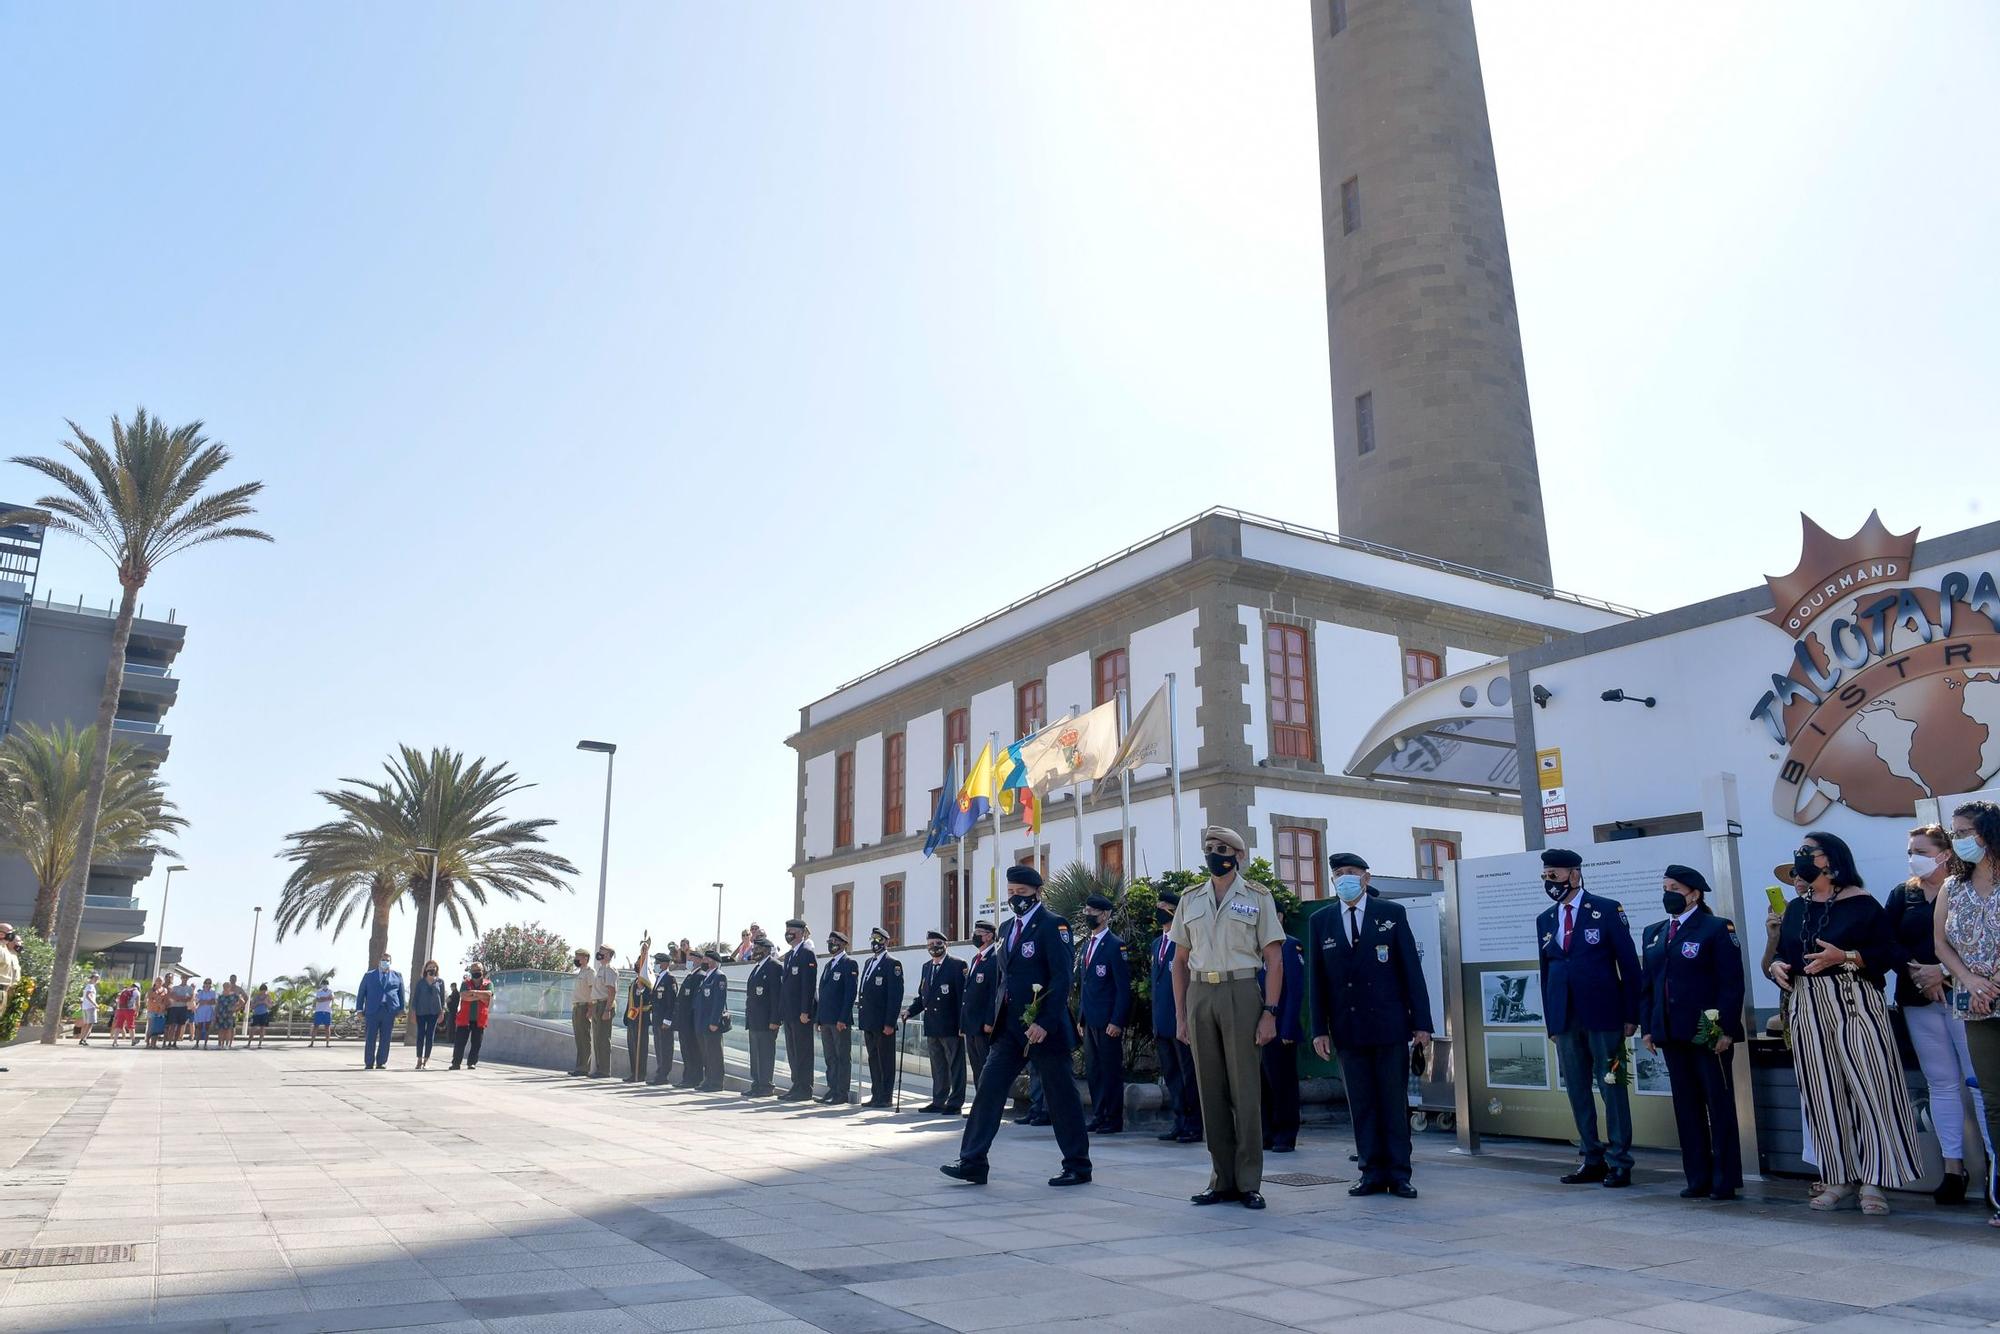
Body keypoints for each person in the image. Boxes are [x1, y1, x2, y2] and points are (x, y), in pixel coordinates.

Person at [1769, 830, 1920, 1215]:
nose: (1802, 857)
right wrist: (1777, 966)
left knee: (1871, 1088)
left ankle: (1875, 1180)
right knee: (1821, 1092)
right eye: (1799, 851)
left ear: (1831, 859)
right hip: (1808, 1002)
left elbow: (1887, 953)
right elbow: (1785, 953)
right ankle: (1837, 1177)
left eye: (1810, 851)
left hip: (1854, 1001)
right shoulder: (1797, 908)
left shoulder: (1863, 903)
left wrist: (1846, 956)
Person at [941, 864, 1093, 1188]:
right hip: (1010, 1029)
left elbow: (1062, 977)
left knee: (1061, 1096)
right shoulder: (1008, 928)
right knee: (989, 1089)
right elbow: (1002, 980)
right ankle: (972, 1161)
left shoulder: (1054, 926)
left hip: (1043, 1030)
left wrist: (1045, 1022)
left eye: (1021, 893)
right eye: (1010, 893)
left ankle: (1078, 1165)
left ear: (1037, 892)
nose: (1015, 899)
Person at [1171, 827, 1285, 1209]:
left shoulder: (1257, 897)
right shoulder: (1191, 898)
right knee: (1211, 1090)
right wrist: (1181, 1015)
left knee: (1245, 1090)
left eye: (1221, 849)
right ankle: (1221, 1179)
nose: (1214, 854)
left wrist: (1269, 1012)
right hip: (1201, 993)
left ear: (1237, 854)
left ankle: (1249, 1180)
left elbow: (1273, 958)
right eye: (1209, 848)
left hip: (1240, 991)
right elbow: (1179, 963)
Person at [1309, 852, 1432, 1200]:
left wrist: (1421, 1022)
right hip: (1348, 1027)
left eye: (1350, 872)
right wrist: (1319, 1028)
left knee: (1393, 1102)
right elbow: (1316, 980)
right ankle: (1370, 1171)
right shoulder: (1322, 921)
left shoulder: (1390, 915)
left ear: (1366, 877)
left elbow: (1411, 971)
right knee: (1361, 1103)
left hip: (1390, 1025)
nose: (1344, 878)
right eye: (1338, 874)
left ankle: (1399, 1173)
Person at [1890, 822, 1994, 1207]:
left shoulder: (1966, 890)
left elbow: (1979, 942)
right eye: (1910, 850)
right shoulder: (1904, 895)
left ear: (1945, 853)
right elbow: (1889, 942)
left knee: (1979, 1084)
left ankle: (1993, 1169)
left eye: (1920, 850)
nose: (1913, 857)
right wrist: (1920, 975)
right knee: (1942, 1084)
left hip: (1966, 999)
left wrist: (1944, 973)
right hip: (1920, 1001)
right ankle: (1954, 1168)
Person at [1536, 847, 1642, 1188]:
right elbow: (1546, 972)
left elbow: (1629, 966)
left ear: (1575, 874)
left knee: (1611, 1086)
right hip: (1565, 1019)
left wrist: (1631, 1013)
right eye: (1545, 876)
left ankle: (1620, 1160)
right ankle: (1591, 1157)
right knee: (1578, 1090)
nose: (1549, 882)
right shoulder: (1546, 920)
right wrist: (1552, 1022)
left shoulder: (1607, 910)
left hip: (1604, 1016)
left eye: (1555, 875)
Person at [1640, 865, 1746, 1201]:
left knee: (1718, 1104)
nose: (1668, 893)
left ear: (1694, 894)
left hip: (1708, 1034)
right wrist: (1649, 1028)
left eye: (1675, 887)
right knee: (1686, 1107)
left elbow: (1731, 983)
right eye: (1665, 886)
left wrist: (1726, 1029)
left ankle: (1724, 1179)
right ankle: (1697, 1176)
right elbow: (1648, 986)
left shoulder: (1716, 928)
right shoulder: (1654, 932)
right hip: (1670, 1033)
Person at [1936, 799, 2000, 1231]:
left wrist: (1992, 980)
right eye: (1954, 833)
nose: (1956, 840)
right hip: (1975, 1003)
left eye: (1963, 832)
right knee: (1994, 1100)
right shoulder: (1951, 887)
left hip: (1990, 989)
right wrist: (1970, 981)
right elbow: (1941, 945)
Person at [1149, 894, 1201, 1144]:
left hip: (1181, 1021)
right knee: (1172, 1075)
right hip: (1162, 1022)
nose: (1159, 913)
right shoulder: (1156, 944)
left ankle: (1194, 1123)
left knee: (1189, 1075)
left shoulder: (1185, 941)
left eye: (1165, 909)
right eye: (1157, 908)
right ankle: (1179, 1121)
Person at [1076, 895, 1130, 1134]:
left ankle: (1113, 1118)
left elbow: (1122, 988)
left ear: (1105, 915)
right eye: (1087, 910)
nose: (1089, 914)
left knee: (1110, 1071)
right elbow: (1084, 984)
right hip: (1090, 1020)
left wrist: (1117, 1020)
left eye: (1093, 911)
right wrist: (1081, 1018)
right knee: (1095, 1071)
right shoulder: (1087, 945)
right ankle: (1099, 1114)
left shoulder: (1115, 945)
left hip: (1108, 1021)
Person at [906, 930, 967, 1114]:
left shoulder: (957, 965)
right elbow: (924, 996)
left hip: (951, 1025)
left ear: (945, 944)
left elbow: (962, 998)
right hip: (932, 1025)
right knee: (938, 1066)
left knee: (955, 1066)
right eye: (930, 944)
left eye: (937, 943)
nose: (933, 947)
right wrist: (909, 1010)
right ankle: (939, 1100)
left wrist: (962, 1025)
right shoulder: (926, 967)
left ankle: (955, 1103)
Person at [1259, 931, 1306, 1153]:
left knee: (1283, 1085)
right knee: (1262, 1085)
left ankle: (1285, 1135)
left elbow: (1295, 991)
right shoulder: (1254, 943)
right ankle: (1266, 1133)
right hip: (1257, 1029)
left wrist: (1287, 1029)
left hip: (1280, 1028)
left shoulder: (1290, 946)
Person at [858, 927, 905, 1108]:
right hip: (869, 1020)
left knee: (885, 1060)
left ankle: (885, 1096)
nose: (874, 942)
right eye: (873, 938)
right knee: (873, 1059)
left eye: (878, 939)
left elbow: (895, 996)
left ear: (886, 941)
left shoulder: (893, 964)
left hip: (883, 1022)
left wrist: (890, 1022)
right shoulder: (869, 962)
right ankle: (876, 1094)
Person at [961, 920, 1001, 1106]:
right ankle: (980, 1103)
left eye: (979, 932)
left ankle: (989, 1104)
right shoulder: (976, 959)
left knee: (986, 1066)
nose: (975, 935)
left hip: (983, 1025)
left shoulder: (995, 958)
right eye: (974, 931)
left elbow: (994, 993)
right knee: (976, 1066)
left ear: (990, 935)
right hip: (971, 1024)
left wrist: (990, 1021)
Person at [815, 929, 858, 1103]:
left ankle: (841, 1093)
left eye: (834, 941)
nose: (831, 944)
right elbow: (822, 994)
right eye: (829, 941)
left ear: (843, 944)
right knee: (830, 1057)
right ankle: (832, 1089)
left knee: (842, 1057)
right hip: (826, 1019)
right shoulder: (829, 964)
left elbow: (850, 994)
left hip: (839, 1021)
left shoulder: (849, 963)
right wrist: (818, 1018)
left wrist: (843, 1018)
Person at [777, 918, 818, 1100]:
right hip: (790, 1012)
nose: (788, 933)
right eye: (787, 930)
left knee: (803, 1051)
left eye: (792, 930)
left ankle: (804, 1088)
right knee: (793, 1051)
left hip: (801, 1013)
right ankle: (796, 1085)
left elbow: (808, 985)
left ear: (801, 933)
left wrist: (805, 1011)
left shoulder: (807, 953)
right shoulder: (791, 954)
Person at [743, 935, 783, 1097]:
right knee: (755, 1054)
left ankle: (766, 1086)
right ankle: (757, 1083)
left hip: (767, 1021)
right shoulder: (757, 967)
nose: (754, 951)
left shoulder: (774, 966)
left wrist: (775, 1019)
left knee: (765, 1054)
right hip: (754, 1020)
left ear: (766, 950)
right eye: (754, 948)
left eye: (757, 948)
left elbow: (776, 996)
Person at [356, 953, 406, 1071]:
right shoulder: (369, 975)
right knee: (370, 1037)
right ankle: (369, 1062)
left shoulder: (397, 976)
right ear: (379, 961)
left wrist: (401, 1009)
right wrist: (359, 1009)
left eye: (387, 960)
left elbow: (401, 994)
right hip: (372, 1010)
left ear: (390, 962)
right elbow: (361, 993)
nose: (385, 962)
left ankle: (381, 1062)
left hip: (389, 1010)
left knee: (386, 1038)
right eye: (383, 960)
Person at [693, 949, 730, 1092]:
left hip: (711, 1023)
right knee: (706, 1054)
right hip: (702, 1022)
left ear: (713, 961)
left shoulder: (719, 977)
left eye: (706, 959)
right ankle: (708, 1080)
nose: (703, 962)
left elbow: (719, 1002)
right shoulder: (707, 977)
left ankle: (716, 1082)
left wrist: (714, 1021)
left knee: (714, 1054)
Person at [450, 965, 492, 1069]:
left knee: (476, 1043)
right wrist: (480, 996)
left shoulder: (488, 984)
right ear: (471, 972)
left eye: (478, 970)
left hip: (479, 1018)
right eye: (474, 970)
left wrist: (473, 993)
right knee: (459, 1042)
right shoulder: (465, 983)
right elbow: (464, 996)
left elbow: (488, 997)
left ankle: (471, 1063)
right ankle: (456, 1063)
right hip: (464, 1018)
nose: (476, 972)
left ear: (483, 971)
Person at [623, 951, 655, 1084]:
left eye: (640, 963)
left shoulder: (648, 983)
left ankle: (640, 1074)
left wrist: (642, 990)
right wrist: (626, 1016)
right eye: (637, 962)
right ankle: (633, 1072)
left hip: (642, 1018)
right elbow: (630, 1001)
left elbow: (649, 1001)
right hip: (632, 1018)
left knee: (641, 1048)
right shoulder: (634, 982)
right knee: (632, 1046)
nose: (637, 965)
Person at [674, 953, 705, 1089]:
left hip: (691, 1021)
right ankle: (687, 1077)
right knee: (685, 1050)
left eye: (691, 960)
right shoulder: (690, 975)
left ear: (698, 960)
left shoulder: (700, 976)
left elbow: (695, 1001)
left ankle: (694, 1078)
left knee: (693, 1050)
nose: (689, 962)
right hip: (684, 1021)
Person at [646, 951, 677, 1085]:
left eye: (658, 962)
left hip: (664, 1020)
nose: (656, 965)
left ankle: (663, 1075)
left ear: (665, 964)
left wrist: (667, 1020)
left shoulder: (670, 979)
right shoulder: (658, 978)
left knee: (665, 1048)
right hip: (657, 1018)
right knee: (658, 1047)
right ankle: (660, 1072)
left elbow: (672, 1002)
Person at [588, 944, 618, 1078]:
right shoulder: (600, 969)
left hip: (604, 1004)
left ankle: (604, 1070)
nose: (599, 953)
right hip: (597, 1004)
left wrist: (607, 1009)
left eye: (602, 951)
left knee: (603, 1039)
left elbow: (612, 991)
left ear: (608, 955)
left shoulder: (610, 970)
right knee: (597, 1038)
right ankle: (599, 1068)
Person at [411, 961, 445, 1071]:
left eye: (433, 967)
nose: (431, 969)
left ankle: (426, 1060)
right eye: (429, 967)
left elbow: (442, 998)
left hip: (434, 1012)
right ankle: (419, 1059)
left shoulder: (440, 982)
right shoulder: (421, 982)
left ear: (436, 969)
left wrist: (442, 1012)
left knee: (430, 1036)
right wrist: (413, 1012)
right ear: (425, 969)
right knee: (421, 1035)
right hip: (421, 1012)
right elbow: (415, 998)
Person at [568, 947, 595, 1077]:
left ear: (585, 958)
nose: (576, 959)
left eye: (578, 957)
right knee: (579, 1038)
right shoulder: (581, 972)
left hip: (584, 1007)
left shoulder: (590, 972)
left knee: (584, 1038)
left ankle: (584, 1067)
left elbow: (592, 991)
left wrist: (590, 1008)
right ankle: (579, 1066)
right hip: (577, 1006)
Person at [167, 976, 195, 1048]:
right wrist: (182, 998)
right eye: (183, 977)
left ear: (187, 979)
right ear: (181, 978)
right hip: (174, 1008)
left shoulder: (190, 988)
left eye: (186, 978)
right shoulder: (175, 987)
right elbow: (172, 996)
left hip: (183, 1008)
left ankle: (175, 1043)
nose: (184, 979)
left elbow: (189, 998)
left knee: (180, 1026)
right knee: (173, 1026)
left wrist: (179, 998)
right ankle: (169, 1042)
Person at [214, 976, 241, 1050]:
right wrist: (215, 1014)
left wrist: (236, 1009)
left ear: (230, 987)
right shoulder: (220, 996)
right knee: (221, 1030)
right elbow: (217, 1005)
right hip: (221, 1014)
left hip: (229, 1015)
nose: (226, 988)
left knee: (228, 1030)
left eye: (228, 986)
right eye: (225, 986)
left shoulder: (234, 995)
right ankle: (220, 1044)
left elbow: (241, 1002)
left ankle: (226, 1045)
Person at [190, 977, 216, 1048]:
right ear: (204, 984)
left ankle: (205, 1044)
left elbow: (213, 1001)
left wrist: (204, 1002)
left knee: (207, 1028)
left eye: (209, 983)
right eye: (206, 983)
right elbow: (198, 1001)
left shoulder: (213, 992)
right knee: (199, 1028)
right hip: (200, 1012)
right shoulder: (200, 992)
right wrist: (207, 1002)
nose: (207, 984)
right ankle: (197, 1043)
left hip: (209, 1012)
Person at [112, 980, 139, 1044]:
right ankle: (133, 1040)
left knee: (119, 1025)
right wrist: (137, 1011)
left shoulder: (124, 990)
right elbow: (138, 1003)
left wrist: (117, 1010)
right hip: (129, 1010)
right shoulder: (136, 992)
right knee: (131, 1025)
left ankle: (115, 1041)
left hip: (121, 1009)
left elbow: (118, 1000)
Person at [77, 971, 101, 1043]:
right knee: (90, 1024)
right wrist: (95, 1004)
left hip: (86, 1007)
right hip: (90, 1007)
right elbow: (88, 996)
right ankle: (84, 1039)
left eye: (98, 978)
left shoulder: (89, 986)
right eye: (95, 978)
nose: (96, 980)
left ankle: (82, 1038)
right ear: (92, 978)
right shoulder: (90, 986)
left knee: (87, 1023)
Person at [144, 979, 168, 1050]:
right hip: (152, 1010)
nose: (159, 982)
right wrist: (159, 1003)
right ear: (155, 982)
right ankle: (148, 1043)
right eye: (158, 980)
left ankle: (153, 1044)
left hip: (160, 1011)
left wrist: (163, 1006)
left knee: (157, 1028)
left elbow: (165, 999)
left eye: (161, 981)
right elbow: (150, 999)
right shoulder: (151, 990)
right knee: (151, 1027)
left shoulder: (165, 990)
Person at [311, 981, 335, 1048]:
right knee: (315, 1026)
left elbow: (332, 998)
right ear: (322, 984)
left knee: (327, 1027)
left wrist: (323, 998)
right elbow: (318, 1000)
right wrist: (327, 998)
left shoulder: (330, 991)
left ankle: (327, 1044)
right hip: (319, 1011)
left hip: (327, 1011)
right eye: (324, 984)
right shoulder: (319, 991)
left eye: (326, 984)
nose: (325, 985)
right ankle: (312, 1043)